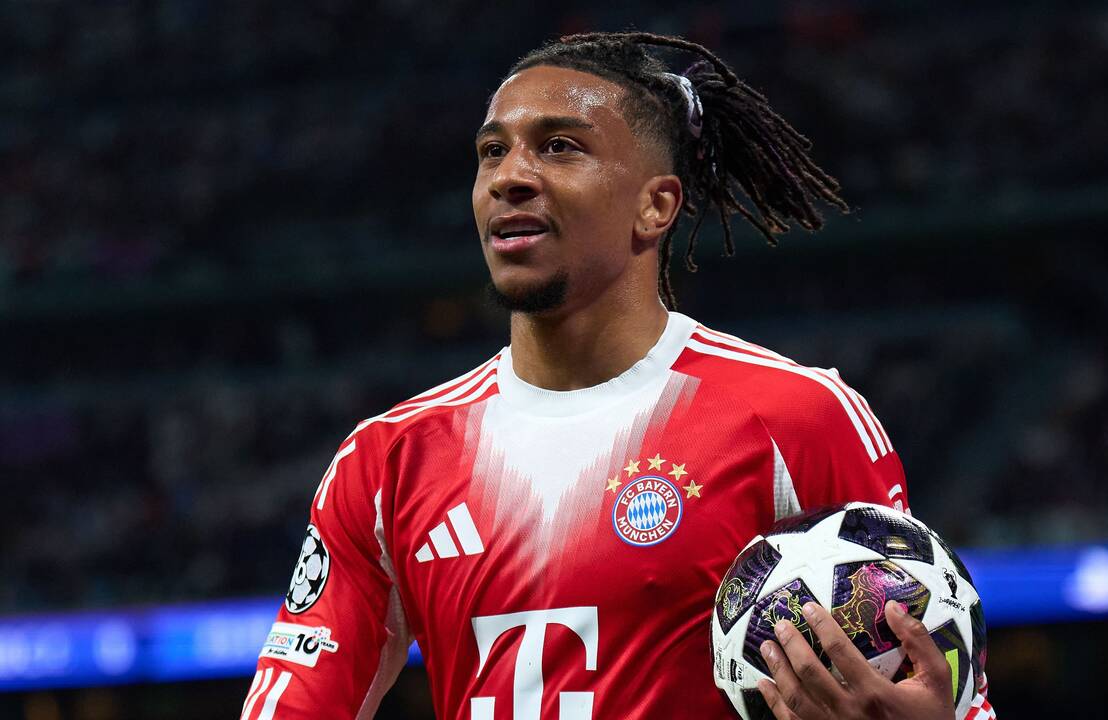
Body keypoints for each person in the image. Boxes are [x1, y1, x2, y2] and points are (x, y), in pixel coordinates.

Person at [239, 32, 995, 720]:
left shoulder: (795, 417)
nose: (510, 176)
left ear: (655, 205)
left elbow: (948, 691)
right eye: (492, 152)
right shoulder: (389, 458)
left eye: (559, 146)